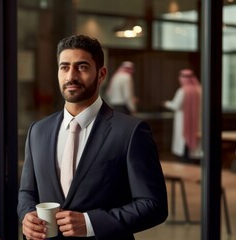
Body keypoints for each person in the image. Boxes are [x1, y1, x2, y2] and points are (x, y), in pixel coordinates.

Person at [18, 35, 168, 240]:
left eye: (82, 67)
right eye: (64, 67)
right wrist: (26, 215)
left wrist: (91, 223)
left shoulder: (131, 132)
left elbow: (154, 205)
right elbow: (27, 192)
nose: (71, 76)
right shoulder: (38, 130)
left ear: (101, 74)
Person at [163, 68, 202, 163]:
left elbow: (176, 106)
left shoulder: (182, 91)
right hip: (197, 121)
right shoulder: (200, 90)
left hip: (184, 122)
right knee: (195, 144)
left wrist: (166, 103)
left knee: (184, 140)